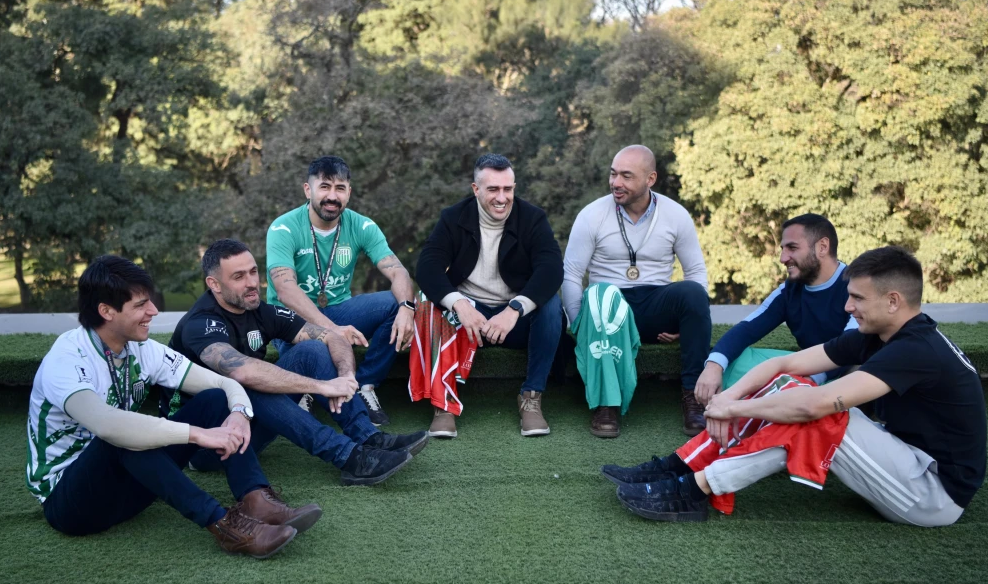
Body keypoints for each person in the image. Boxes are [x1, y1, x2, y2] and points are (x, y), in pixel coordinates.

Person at [607, 246, 988, 528]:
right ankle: (681, 466)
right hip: (903, 460)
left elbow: (815, 405)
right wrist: (726, 397)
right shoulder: (883, 333)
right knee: (791, 383)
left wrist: (734, 409)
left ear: (893, 301)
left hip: (932, 494)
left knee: (822, 413)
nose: (847, 308)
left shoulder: (916, 349)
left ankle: (694, 490)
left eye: (856, 298)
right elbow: (784, 364)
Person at [25, 255, 319, 559]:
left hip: (131, 488)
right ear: (106, 311)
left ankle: (256, 498)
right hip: (73, 505)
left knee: (215, 401)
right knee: (123, 435)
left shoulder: (142, 348)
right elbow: (109, 426)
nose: (153, 311)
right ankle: (227, 527)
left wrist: (239, 414)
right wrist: (197, 435)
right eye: (140, 305)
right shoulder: (68, 358)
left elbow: (224, 384)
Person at [168, 239, 428, 486]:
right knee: (248, 382)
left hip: (247, 424)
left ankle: (368, 437)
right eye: (238, 277)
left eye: (253, 272)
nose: (251, 283)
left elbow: (332, 337)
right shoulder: (200, 323)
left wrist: (346, 378)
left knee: (313, 349)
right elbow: (243, 371)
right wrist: (322, 387)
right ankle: (349, 458)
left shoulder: (259, 310)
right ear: (214, 284)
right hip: (205, 444)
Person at [562, 145, 712, 438]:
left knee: (693, 292)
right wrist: (580, 324)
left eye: (627, 176)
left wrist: (688, 324)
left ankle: (693, 397)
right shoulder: (592, 215)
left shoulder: (676, 215)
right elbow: (572, 274)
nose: (616, 183)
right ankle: (606, 405)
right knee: (601, 294)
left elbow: (696, 273)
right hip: (608, 309)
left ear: (650, 179)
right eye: (613, 174)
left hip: (655, 304)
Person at [415, 153, 564, 438]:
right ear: (476, 189)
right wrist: (458, 303)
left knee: (551, 304)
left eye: (508, 189)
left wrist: (514, 309)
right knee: (429, 301)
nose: (501, 197)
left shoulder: (533, 218)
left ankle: (531, 398)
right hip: (468, 319)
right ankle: (443, 402)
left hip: (513, 320)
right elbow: (427, 267)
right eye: (493, 189)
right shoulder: (453, 218)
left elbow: (552, 269)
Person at [266, 156, 417, 425]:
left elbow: (399, 272)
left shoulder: (362, 225)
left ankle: (365, 385)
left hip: (337, 309)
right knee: (316, 347)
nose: (332, 196)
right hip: (290, 318)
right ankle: (307, 391)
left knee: (394, 303)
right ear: (307, 189)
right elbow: (285, 290)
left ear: (349, 192)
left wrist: (408, 308)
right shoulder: (284, 227)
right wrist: (332, 331)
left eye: (340, 188)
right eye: (324, 187)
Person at [693, 213, 857, 404]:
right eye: (782, 249)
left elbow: (849, 347)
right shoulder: (788, 291)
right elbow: (747, 328)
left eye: (792, 248)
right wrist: (713, 366)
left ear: (822, 247)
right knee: (733, 359)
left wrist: (810, 379)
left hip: (847, 371)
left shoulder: (857, 286)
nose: (782, 258)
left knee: (855, 372)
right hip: (805, 370)